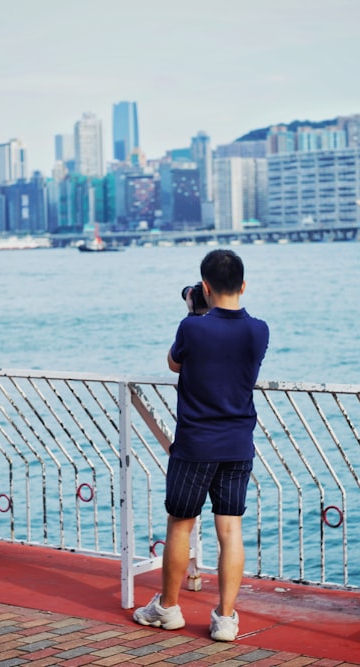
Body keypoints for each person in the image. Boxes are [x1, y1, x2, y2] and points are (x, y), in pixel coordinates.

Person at [133, 249, 270, 642]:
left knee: (181, 524)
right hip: (238, 443)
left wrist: (195, 313)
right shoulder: (259, 330)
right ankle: (225, 618)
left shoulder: (192, 328)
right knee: (230, 529)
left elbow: (174, 363)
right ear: (243, 286)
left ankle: (168, 608)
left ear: (204, 287)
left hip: (195, 443)